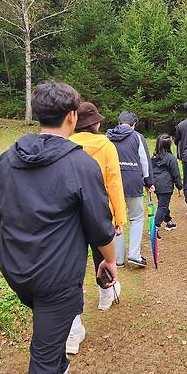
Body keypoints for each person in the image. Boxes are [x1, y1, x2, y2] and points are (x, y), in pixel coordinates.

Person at [0, 82, 118, 374]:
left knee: (50, 330)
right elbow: (101, 227)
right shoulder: (81, 164)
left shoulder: (6, 160)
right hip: (55, 279)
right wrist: (110, 261)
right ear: (72, 116)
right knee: (43, 357)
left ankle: (59, 367)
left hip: (16, 269)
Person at [66, 101, 125, 356]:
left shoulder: (66, 143)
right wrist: (119, 218)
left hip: (70, 215)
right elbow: (113, 182)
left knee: (72, 266)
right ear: (96, 123)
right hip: (100, 212)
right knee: (102, 257)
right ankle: (104, 298)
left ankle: (72, 326)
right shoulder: (106, 145)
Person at [106, 111, 154, 267]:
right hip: (133, 181)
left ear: (119, 122)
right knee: (137, 217)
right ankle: (134, 254)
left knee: (116, 219)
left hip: (113, 183)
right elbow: (144, 162)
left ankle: (118, 259)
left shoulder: (108, 137)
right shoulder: (137, 137)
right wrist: (148, 182)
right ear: (134, 124)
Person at [151, 134, 183, 233]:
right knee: (163, 206)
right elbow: (176, 174)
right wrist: (179, 187)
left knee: (163, 204)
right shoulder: (171, 158)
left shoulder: (153, 157)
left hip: (156, 184)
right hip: (166, 185)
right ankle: (155, 226)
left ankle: (169, 221)